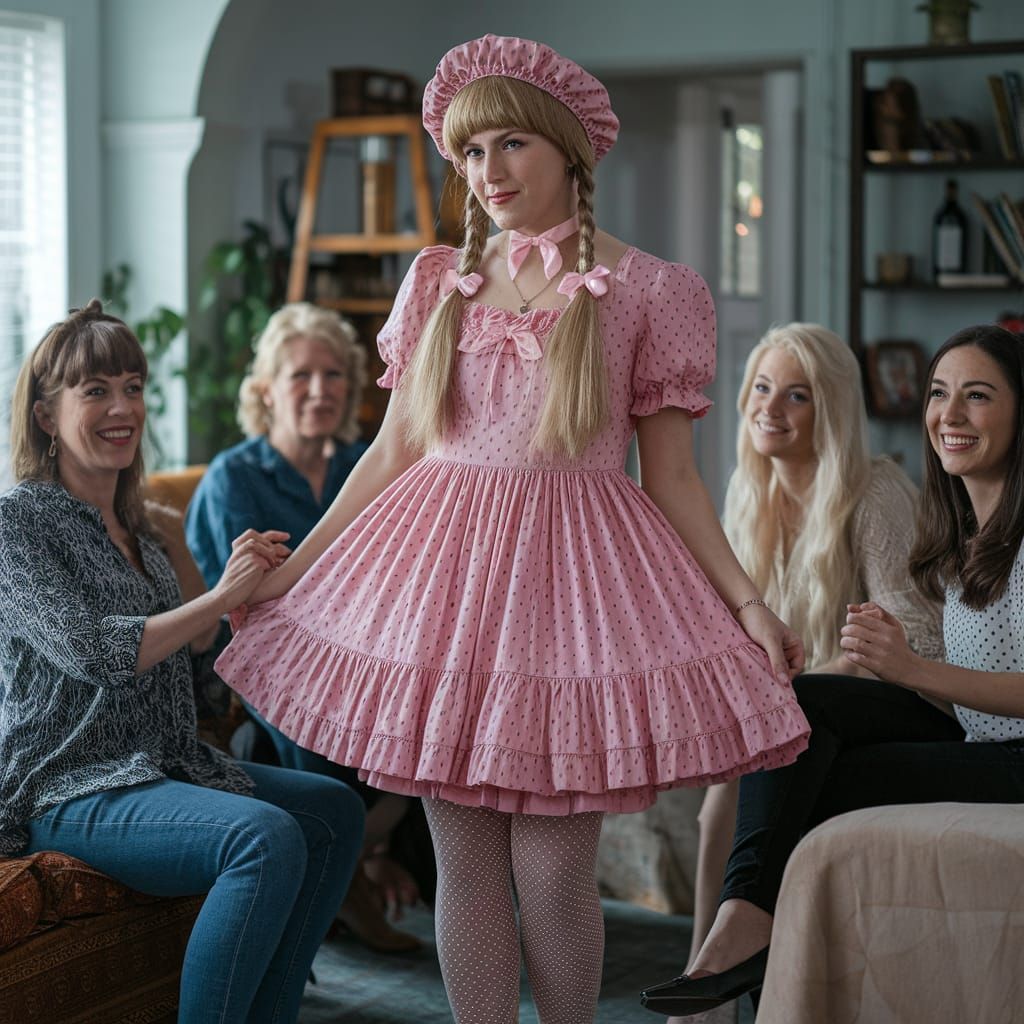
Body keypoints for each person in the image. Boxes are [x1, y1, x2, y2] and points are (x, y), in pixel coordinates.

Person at [214, 34, 811, 1024]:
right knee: (466, 867)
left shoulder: (649, 291)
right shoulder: (436, 280)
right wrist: (297, 572)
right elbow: (393, 450)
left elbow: (671, 479)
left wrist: (745, 599)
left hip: (569, 596)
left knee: (551, 875)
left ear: (567, 148)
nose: (488, 173)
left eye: (509, 147)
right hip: (442, 591)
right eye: (471, 153)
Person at [640, 323, 1024, 1018]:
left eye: (978, 396)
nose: (949, 415)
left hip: (1012, 752)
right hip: (975, 734)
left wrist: (910, 668)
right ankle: (743, 923)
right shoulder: (964, 530)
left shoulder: (921, 508)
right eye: (939, 394)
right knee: (801, 714)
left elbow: (929, 657)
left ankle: (751, 957)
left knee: (808, 778)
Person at [0, 301, 365, 1024]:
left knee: (333, 810)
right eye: (95, 390)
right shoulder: (18, 525)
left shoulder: (146, 529)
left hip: (162, 766)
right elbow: (93, 651)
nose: (121, 407)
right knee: (262, 838)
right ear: (45, 416)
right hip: (69, 786)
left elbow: (200, 672)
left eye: (133, 386)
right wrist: (215, 599)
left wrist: (236, 601)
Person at [685, 323, 944, 1016]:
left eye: (796, 396)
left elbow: (915, 636)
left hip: (891, 704)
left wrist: (800, 684)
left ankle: (713, 992)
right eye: (762, 388)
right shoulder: (749, 492)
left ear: (827, 409)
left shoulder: (876, 494)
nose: (771, 408)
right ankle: (706, 985)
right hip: (790, 711)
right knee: (716, 801)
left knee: (734, 795)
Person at [186, 301, 428, 951]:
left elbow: (398, 575)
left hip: (363, 646)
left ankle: (368, 847)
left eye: (333, 375)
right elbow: (247, 607)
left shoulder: (363, 466)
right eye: (299, 376)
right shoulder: (233, 477)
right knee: (305, 689)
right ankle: (351, 868)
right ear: (266, 390)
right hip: (256, 655)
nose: (318, 390)